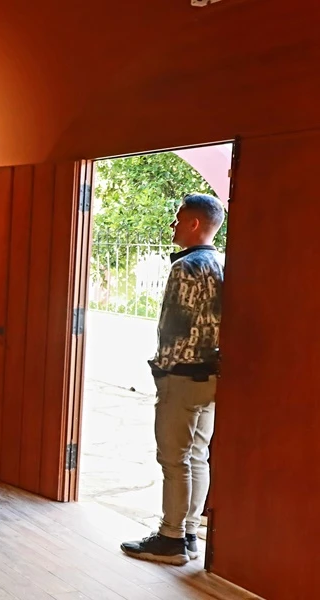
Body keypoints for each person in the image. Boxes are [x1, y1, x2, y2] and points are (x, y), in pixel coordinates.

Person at [121, 193, 226, 566]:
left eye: (179, 217)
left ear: (195, 224)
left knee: (173, 459)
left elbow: (174, 328)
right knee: (198, 455)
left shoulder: (186, 268)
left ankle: (170, 538)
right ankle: (190, 534)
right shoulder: (221, 263)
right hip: (212, 377)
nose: (173, 224)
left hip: (181, 376)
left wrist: (161, 369)